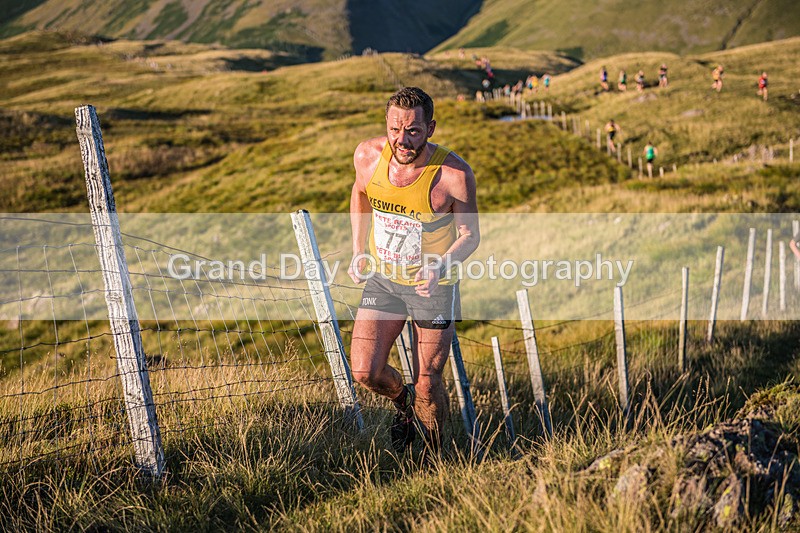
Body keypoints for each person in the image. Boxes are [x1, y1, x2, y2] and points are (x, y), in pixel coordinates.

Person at [348, 87, 480, 456]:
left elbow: (470, 236)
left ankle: (434, 454)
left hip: (432, 287)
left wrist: (441, 265)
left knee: (428, 381)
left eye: (413, 131)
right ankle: (403, 403)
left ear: (430, 128)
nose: (402, 140)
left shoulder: (454, 174)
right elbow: (360, 193)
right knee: (365, 372)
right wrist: (359, 249)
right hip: (385, 280)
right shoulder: (367, 156)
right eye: (394, 129)